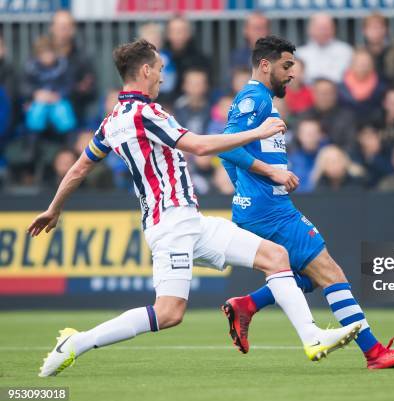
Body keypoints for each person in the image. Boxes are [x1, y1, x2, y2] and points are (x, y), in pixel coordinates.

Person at [31, 39, 360, 378]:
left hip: (191, 221)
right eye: (159, 70)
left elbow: (79, 168)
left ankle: (312, 338)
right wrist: (257, 132)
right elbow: (201, 146)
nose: (162, 77)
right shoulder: (146, 114)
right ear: (145, 70)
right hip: (171, 226)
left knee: (276, 257)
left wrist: (54, 209)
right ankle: (76, 343)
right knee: (169, 313)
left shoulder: (110, 122)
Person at [218, 35, 394, 369]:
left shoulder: (258, 99)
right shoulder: (254, 97)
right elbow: (226, 146)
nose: (292, 74)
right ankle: (374, 353)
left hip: (267, 206)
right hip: (270, 210)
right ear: (265, 65)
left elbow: (230, 152)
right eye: (286, 66)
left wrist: (247, 184)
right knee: (330, 272)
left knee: (311, 275)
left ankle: (248, 305)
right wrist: (268, 174)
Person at [49, 10, 97, 123]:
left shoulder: (83, 57)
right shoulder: (39, 54)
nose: (63, 30)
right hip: (42, 115)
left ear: (73, 29)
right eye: (60, 26)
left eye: (67, 26)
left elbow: (92, 91)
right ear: (52, 28)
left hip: (74, 115)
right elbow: (26, 86)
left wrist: (77, 91)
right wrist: (37, 94)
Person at [296, 13, 353, 83]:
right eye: (319, 28)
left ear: (334, 29)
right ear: (310, 29)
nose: (322, 32)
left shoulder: (346, 51)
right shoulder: (300, 54)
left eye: (326, 28)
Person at [301, 78, 357, 148]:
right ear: (313, 94)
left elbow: (350, 145)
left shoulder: (347, 117)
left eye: (328, 93)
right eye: (320, 93)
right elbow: (296, 143)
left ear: (335, 95)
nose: (323, 97)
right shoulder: (304, 116)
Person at [338, 48, 386, 117]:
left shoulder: (382, 87)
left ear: (373, 65)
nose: (363, 65)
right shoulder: (340, 88)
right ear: (351, 64)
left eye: (366, 62)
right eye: (359, 62)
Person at [288, 118, 327, 193]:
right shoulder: (292, 160)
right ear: (299, 136)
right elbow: (302, 190)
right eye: (307, 134)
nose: (310, 137)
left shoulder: (327, 155)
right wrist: (319, 168)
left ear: (321, 135)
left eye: (314, 133)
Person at [361, 12, 394, 80]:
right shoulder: (359, 54)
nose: (376, 31)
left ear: (386, 29)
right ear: (364, 31)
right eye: (372, 27)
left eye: (379, 27)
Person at [173, 68, 211, 135]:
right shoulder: (174, 109)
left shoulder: (213, 108)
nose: (195, 87)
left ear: (206, 86)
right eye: (191, 83)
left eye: (199, 84)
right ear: (184, 85)